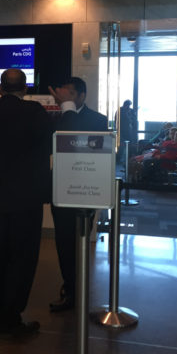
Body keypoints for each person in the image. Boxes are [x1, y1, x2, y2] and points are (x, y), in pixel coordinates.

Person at [0, 69, 52, 338]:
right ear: (24, 88)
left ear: (1, 88)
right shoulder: (36, 113)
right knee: (22, 257)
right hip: (27, 198)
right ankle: (11, 317)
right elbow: (50, 146)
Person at [47, 77, 108, 312]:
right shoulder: (55, 116)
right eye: (63, 94)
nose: (65, 99)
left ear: (82, 96)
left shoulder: (98, 120)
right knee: (63, 242)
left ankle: (78, 287)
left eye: (70, 94)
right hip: (60, 188)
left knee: (81, 242)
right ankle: (69, 287)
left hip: (86, 190)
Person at [115, 99, 137, 163]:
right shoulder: (120, 110)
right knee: (120, 147)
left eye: (129, 105)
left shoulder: (131, 111)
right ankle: (118, 159)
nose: (128, 107)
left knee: (130, 146)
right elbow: (116, 120)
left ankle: (129, 159)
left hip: (129, 131)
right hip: (121, 131)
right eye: (128, 105)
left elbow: (134, 120)